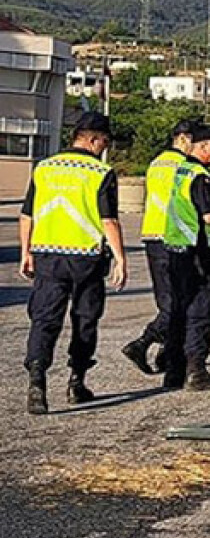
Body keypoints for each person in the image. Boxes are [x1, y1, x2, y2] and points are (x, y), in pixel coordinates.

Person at [17, 112, 127, 414]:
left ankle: (37, 381)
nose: (105, 147)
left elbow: (27, 214)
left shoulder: (44, 168)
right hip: (86, 259)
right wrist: (120, 259)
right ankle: (77, 382)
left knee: (44, 319)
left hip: (47, 255)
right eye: (104, 141)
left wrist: (25, 251)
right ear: (92, 139)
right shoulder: (100, 172)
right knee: (85, 320)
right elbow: (108, 220)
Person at [121, 119, 197, 381]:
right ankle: (143, 343)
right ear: (184, 139)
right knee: (178, 304)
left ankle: (166, 353)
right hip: (171, 236)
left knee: (169, 300)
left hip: (151, 234)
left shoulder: (156, 162)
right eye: (194, 141)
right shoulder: (184, 166)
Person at [164, 123, 210, 390]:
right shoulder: (201, 176)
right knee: (201, 312)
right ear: (204, 146)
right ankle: (197, 371)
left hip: (177, 249)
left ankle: (173, 373)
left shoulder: (181, 171)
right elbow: (209, 216)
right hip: (199, 253)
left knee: (178, 311)